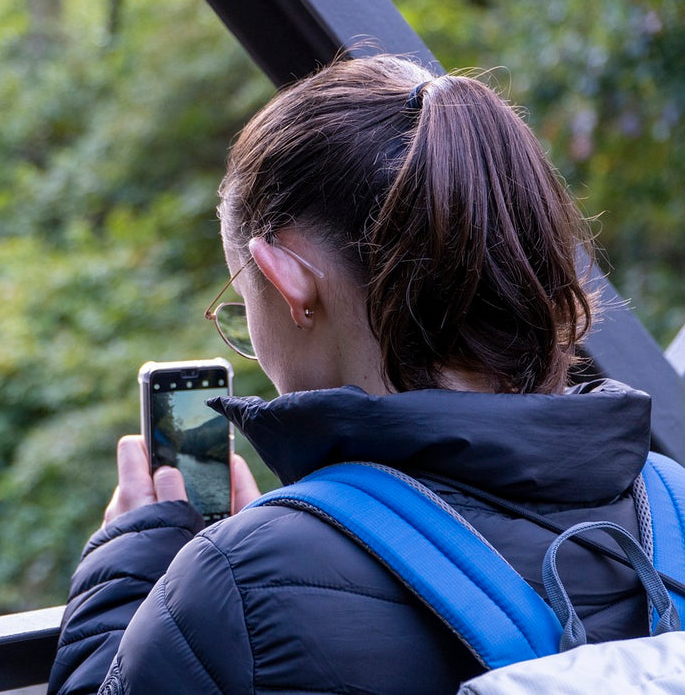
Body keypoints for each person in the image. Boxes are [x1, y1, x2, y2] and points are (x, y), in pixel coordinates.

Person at [48, 54, 656, 693]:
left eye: (242, 300)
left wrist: (132, 571)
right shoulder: (667, 499)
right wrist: (302, 527)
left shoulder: (236, 584)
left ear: (289, 283)